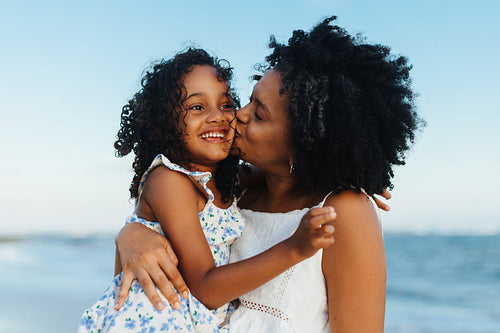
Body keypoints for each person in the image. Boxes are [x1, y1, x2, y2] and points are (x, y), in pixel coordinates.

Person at [114, 16, 423, 332]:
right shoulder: (233, 190)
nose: (238, 116)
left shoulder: (341, 213)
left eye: (259, 114)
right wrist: (130, 236)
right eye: (247, 100)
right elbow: (166, 233)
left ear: (304, 144)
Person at [78, 48, 336, 333]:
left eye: (226, 104)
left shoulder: (228, 179)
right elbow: (205, 287)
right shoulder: (170, 181)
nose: (218, 117)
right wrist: (294, 248)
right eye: (197, 107)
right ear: (165, 123)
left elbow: (289, 174)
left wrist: (354, 177)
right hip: (156, 319)